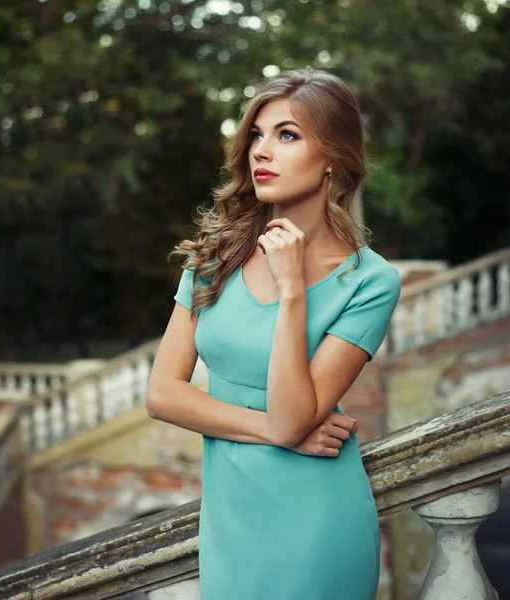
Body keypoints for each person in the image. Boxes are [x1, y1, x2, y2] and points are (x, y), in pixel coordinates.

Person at [146, 66, 401, 600]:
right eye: (257, 135)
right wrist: (275, 431)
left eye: (287, 135)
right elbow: (162, 394)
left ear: (332, 156)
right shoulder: (214, 257)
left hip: (317, 525)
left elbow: (293, 418)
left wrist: (292, 293)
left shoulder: (370, 281)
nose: (262, 151)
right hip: (230, 527)